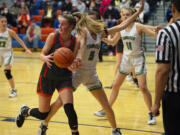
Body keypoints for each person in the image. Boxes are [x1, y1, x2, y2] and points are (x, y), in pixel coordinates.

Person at [36, 1, 145, 135]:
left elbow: (122, 26)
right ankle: (44, 123)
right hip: (78, 73)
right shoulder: (83, 33)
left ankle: (115, 130)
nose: (92, 22)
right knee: (60, 103)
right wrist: (78, 59)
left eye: (94, 20)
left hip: (92, 75)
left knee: (106, 105)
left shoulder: (101, 33)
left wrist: (138, 13)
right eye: (90, 20)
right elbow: (79, 49)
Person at [15, 14, 80, 135]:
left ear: (71, 27)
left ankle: (75, 133)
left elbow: (71, 61)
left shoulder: (76, 42)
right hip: (47, 77)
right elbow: (42, 54)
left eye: (63, 24)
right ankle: (25, 111)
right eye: (59, 23)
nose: (59, 26)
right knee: (42, 113)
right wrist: (45, 58)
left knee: (69, 108)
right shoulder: (53, 36)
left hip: (64, 77)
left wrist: (74, 64)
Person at [94, 7, 159, 125]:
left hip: (138, 59)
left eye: (128, 15)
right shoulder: (121, 28)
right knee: (115, 85)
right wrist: (102, 38)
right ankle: (106, 109)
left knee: (143, 87)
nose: (125, 17)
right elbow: (113, 42)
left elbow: (153, 35)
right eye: (123, 15)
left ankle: (151, 113)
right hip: (126, 60)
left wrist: (158, 31)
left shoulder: (138, 26)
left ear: (132, 15)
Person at [151, 0, 180, 135]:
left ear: (173, 8)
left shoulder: (166, 34)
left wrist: (156, 103)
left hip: (174, 95)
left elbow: (162, 71)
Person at [0, 15, 32, 98]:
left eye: (5, 21)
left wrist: (26, 49)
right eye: (2, 21)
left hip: (7, 53)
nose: (4, 23)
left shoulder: (10, 32)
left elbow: (19, 40)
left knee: (7, 72)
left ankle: (14, 90)